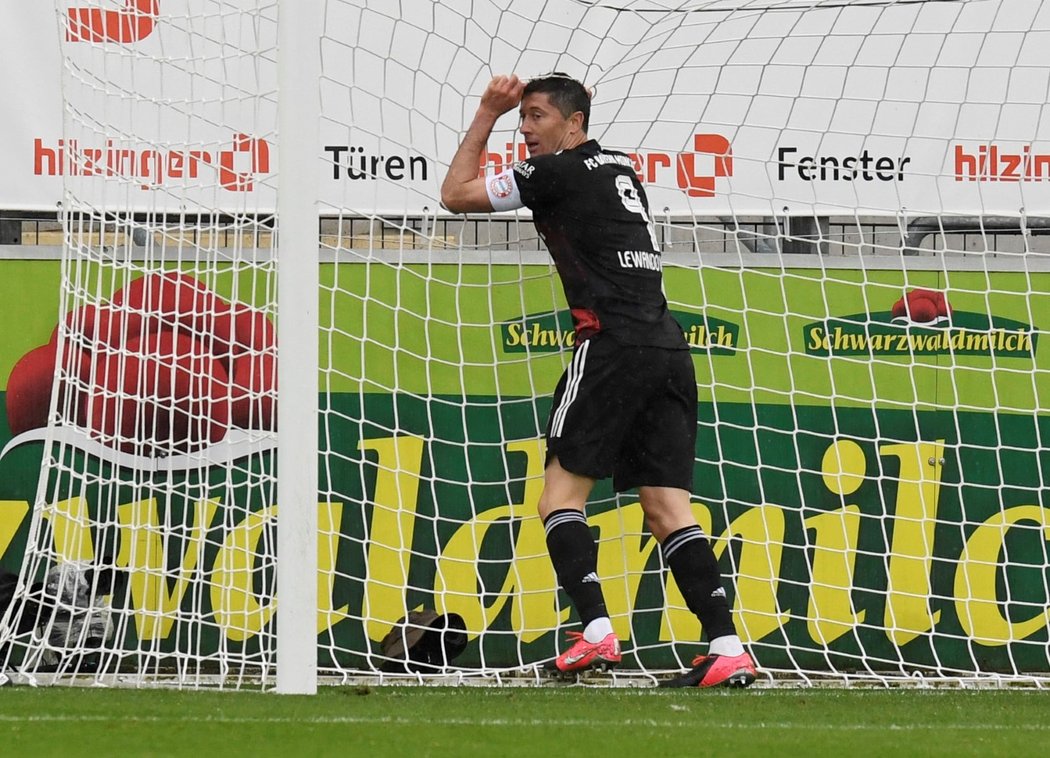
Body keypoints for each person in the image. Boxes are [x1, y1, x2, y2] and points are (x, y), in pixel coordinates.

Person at [440, 73, 757, 688]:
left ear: (573, 123)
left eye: (534, 117)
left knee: (558, 499)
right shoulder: (618, 168)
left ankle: (595, 635)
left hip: (610, 345)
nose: (524, 130)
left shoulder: (554, 172)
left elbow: (456, 194)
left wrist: (486, 112)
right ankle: (727, 646)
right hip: (666, 347)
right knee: (667, 507)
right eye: (520, 118)